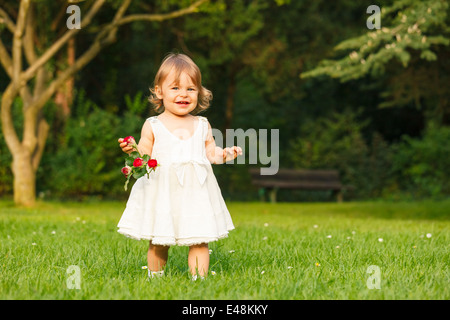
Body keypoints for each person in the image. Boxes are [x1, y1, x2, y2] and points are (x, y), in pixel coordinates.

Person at [117, 53, 242, 280]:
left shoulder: (202, 124)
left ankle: (199, 281)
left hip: (196, 192)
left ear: (199, 92)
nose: (183, 94)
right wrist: (133, 149)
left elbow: (210, 153)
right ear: (159, 91)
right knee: (158, 240)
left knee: (199, 238)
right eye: (175, 88)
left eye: (191, 89)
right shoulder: (153, 125)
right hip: (163, 191)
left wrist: (224, 154)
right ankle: (155, 279)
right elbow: (145, 153)